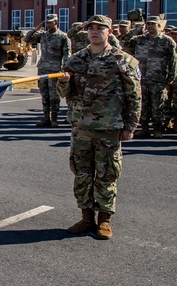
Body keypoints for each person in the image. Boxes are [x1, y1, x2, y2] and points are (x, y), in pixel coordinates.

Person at [57, 15, 141, 240]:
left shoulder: (123, 60)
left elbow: (134, 96)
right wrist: (62, 83)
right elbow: (65, 94)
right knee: (82, 173)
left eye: (99, 28)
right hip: (81, 127)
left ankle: (105, 219)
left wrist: (130, 126)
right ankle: (86, 217)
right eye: (90, 28)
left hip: (108, 127)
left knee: (107, 173)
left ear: (109, 32)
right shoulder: (76, 60)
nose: (94, 32)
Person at [130, 16, 177, 137]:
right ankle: (144, 127)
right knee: (143, 106)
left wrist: (170, 79)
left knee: (158, 106)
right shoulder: (139, 40)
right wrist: (136, 30)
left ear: (159, 26)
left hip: (158, 79)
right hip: (142, 79)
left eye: (153, 24)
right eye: (148, 24)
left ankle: (157, 129)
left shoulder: (167, 41)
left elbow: (173, 61)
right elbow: (124, 44)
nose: (150, 26)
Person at [24, 14, 70, 127]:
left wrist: (65, 69)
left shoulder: (63, 37)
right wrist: (35, 29)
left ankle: (54, 119)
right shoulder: (42, 35)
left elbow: (67, 55)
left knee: (54, 96)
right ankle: (46, 118)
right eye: (47, 23)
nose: (48, 25)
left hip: (55, 70)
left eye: (50, 22)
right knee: (44, 95)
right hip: (42, 69)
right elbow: (27, 39)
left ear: (56, 22)